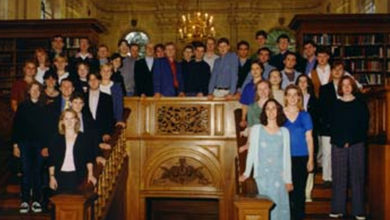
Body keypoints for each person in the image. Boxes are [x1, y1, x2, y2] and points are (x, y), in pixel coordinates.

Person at [239, 99, 292, 220]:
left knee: (280, 208)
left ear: (278, 111)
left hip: (279, 177)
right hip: (263, 176)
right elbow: (251, 152)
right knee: (266, 209)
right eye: (268, 108)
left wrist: (288, 180)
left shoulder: (284, 132)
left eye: (274, 108)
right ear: (264, 112)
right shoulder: (257, 129)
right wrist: (247, 172)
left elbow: (286, 157)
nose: (271, 111)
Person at [328, 76, 369, 220]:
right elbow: (332, 125)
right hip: (338, 144)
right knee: (339, 177)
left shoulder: (360, 104)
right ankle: (337, 208)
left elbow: (363, 125)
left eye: (348, 84)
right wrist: (342, 141)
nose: (346, 87)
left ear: (353, 86)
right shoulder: (335, 104)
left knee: (357, 177)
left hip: (356, 144)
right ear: (340, 87)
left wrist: (350, 141)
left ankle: (358, 210)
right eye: (343, 85)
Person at [12, 82, 48, 214]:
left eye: (37, 90)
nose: (35, 92)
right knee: (26, 171)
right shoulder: (22, 107)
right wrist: (15, 145)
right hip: (25, 144)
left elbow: (46, 130)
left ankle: (37, 200)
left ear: (40, 92)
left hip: (39, 144)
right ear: (28, 92)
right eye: (32, 90)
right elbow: (16, 127)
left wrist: (45, 146)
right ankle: (25, 201)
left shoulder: (44, 108)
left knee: (38, 172)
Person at [283, 85, 314, 220]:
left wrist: (311, 159)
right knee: (286, 192)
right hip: (284, 158)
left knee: (299, 192)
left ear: (300, 97)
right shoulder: (279, 114)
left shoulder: (305, 115)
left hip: (301, 157)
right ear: (285, 97)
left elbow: (309, 138)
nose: (292, 97)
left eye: (295, 94)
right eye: (289, 94)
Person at [48, 109, 97, 194]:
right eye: (66, 119)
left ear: (76, 120)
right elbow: (52, 160)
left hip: (78, 176)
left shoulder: (83, 137)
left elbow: (89, 158)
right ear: (62, 121)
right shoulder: (56, 138)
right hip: (60, 176)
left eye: (72, 118)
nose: (69, 122)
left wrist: (90, 174)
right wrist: (51, 177)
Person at [318, 61, 346, 187]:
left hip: (343, 126)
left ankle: (340, 177)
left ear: (343, 72)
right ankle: (327, 178)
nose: (337, 72)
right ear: (331, 71)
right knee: (327, 153)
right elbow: (322, 110)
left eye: (340, 69)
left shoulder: (347, 87)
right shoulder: (324, 89)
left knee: (341, 153)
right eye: (334, 69)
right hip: (328, 126)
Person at [296, 74, 319, 202]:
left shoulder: (314, 100)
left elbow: (317, 117)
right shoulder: (292, 98)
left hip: (310, 134)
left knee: (310, 164)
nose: (303, 84)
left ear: (308, 84)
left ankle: (308, 193)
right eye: (300, 81)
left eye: (305, 81)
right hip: (296, 136)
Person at [239, 80, 272, 153]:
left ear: (269, 90)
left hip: (272, 140)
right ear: (257, 91)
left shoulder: (275, 106)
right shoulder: (251, 107)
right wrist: (248, 144)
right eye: (260, 89)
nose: (263, 91)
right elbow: (251, 127)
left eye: (265, 88)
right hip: (257, 140)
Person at [84, 72, 115, 142]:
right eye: (90, 80)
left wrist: (107, 133)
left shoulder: (107, 98)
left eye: (95, 79)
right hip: (86, 135)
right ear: (88, 82)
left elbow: (110, 117)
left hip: (102, 135)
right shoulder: (82, 98)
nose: (93, 82)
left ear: (100, 81)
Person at [239, 61, 264, 127]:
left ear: (261, 70)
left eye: (257, 68)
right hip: (251, 116)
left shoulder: (266, 84)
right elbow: (245, 104)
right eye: (252, 69)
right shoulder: (248, 87)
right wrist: (243, 119)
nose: (255, 71)